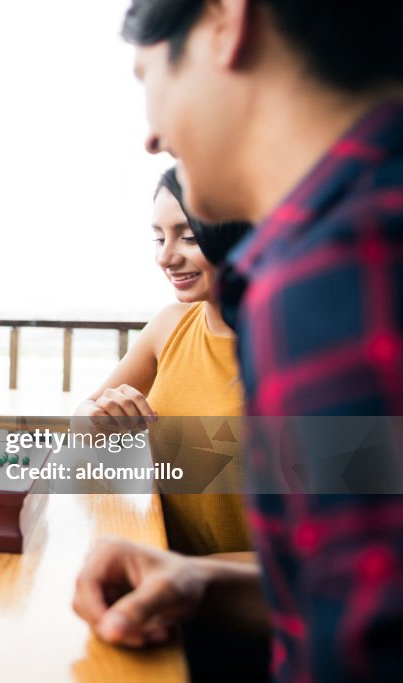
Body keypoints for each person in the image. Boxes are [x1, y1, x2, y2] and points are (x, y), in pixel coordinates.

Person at [74, 2, 403, 681]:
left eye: (148, 77)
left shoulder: (336, 271)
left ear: (226, 22)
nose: (153, 136)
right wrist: (205, 582)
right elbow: (356, 594)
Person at [75, 167, 252, 557]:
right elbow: (82, 424)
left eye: (188, 237)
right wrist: (101, 419)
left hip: (251, 603)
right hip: (171, 585)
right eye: (158, 238)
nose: (165, 257)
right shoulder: (170, 325)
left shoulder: (298, 351)